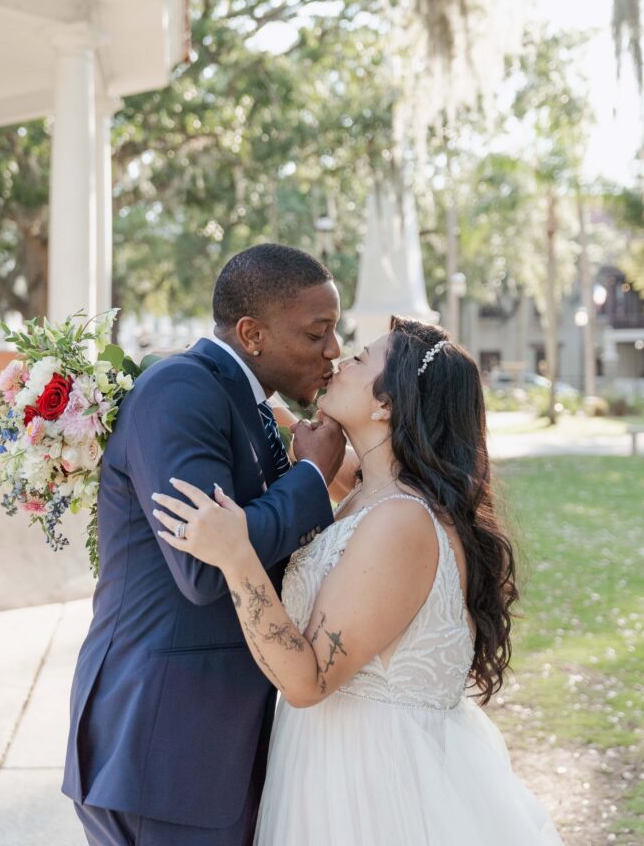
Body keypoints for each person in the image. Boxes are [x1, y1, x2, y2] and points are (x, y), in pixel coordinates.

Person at [155, 317, 565, 845]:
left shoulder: (401, 522)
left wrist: (237, 557)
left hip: (374, 788)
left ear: (386, 405)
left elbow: (307, 682)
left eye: (362, 358)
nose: (341, 359)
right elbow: (311, 450)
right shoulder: (377, 488)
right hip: (334, 763)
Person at [63, 244, 348, 846]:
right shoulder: (181, 390)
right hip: (163, 745)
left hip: (207, 744)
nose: (333, 350)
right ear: (252, 333)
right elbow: (203, 565)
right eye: (317, 332)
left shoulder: (247, 401)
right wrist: (311, 480)